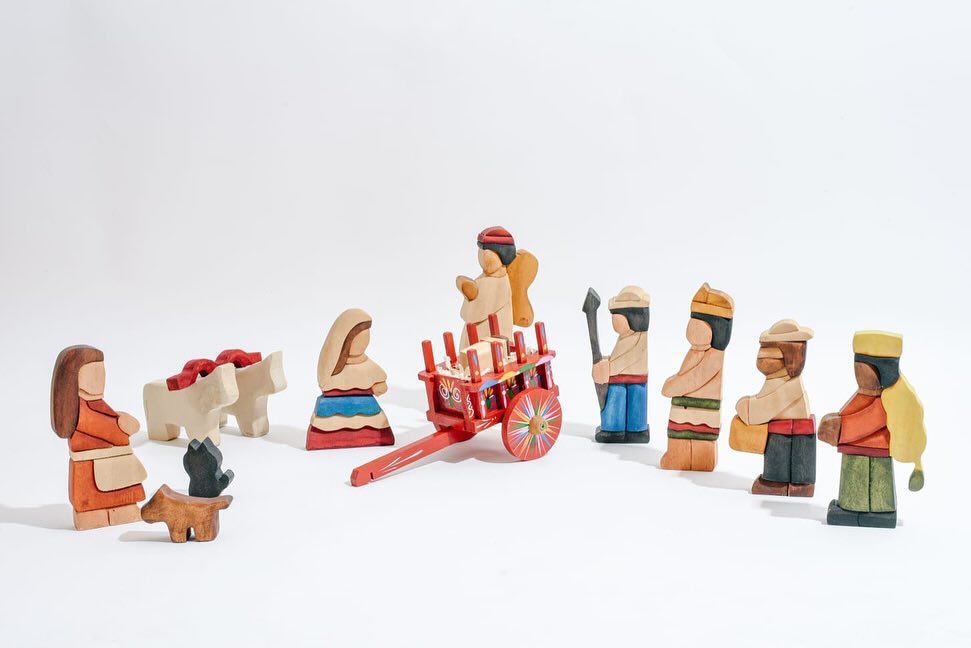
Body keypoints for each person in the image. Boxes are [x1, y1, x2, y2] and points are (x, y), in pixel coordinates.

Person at [818, 331, 926, 528]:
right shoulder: (867, 396)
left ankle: (864, 511)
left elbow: (865, 423)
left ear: (877, 371)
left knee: (867, 481)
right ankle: (863, 508)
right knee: (859, 479)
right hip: (859, 447)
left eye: (860, 366)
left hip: (869, 447)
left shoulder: (884, 401)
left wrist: (839, 429)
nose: (856, 371)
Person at [50, 345, 147, 530]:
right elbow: (116, 433)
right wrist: (122, 424)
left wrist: (120, 420)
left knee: (119, 496)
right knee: (96, 497)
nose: (100, 380)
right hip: (92, 469)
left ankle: (119, 511)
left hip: (104, 465)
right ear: (75, 377)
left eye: (102, 372)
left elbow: (111, 421)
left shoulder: (93, 406)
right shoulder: (81, 412)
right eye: (94, 374)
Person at [732, 320, 816, 496]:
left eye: (767, 353)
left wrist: (744, 406)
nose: (760, 357)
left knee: (783, 459)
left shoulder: (790, 386)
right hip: (782, 430)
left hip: (790, 433)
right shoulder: (776, 380)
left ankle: (784, 484)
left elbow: (759, 411)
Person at [660, 283, 734, 472]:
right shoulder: (695, 352)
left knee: (699, 440)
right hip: (685, 411)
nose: (691, 328)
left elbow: (691, 380)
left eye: (698, 323)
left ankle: (699, 460)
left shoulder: (714, 358)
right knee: (680, 436)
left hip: (701, 414)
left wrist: (670, 386)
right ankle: (679, 457)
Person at [306, 308, 395, 450]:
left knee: (372, 415)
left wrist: (377, 385)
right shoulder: (333, 371)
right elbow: (326, 384)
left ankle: (372, 435)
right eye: (359, 337)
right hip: (331, 408)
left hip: (368, 409)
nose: (364, 342)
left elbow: (379, 379)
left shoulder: (367, 365)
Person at [456, 226, 537, 347]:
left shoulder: (499, 282)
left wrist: (472, 291)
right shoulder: (486, 279)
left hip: (493, 342)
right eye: (480, 252)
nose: (482, 258)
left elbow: (479, 304)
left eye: (486, 253)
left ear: (501, 255)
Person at [592, 286, 651, 443]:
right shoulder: (628, 337)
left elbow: (625, 360)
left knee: (624, 402)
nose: (613, 320)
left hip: (630, 379)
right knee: (626, 401)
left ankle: (626, 430)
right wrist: (606, 364)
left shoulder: (637, 339)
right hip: (628, 378)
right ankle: (622, 430)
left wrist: (606, 368)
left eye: (616, 315)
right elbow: (618, 358)